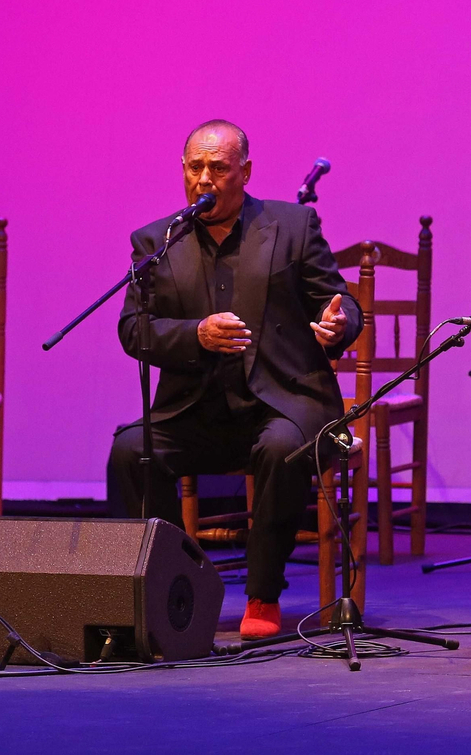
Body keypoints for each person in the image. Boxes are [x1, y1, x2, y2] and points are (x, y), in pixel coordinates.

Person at [105, 119, 362, 640]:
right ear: (182, 171)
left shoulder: (292, 227)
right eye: (195, 168)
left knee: (282, 447)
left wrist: (338, 325)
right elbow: (134, 330)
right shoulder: (155, 241)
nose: (205, 179)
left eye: (218, 168)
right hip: (195, 409)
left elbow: (342, 304)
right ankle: (173, 584)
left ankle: (263, 595)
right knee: (131, 450)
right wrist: (195, 334)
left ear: (244, 172)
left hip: (283, 404)